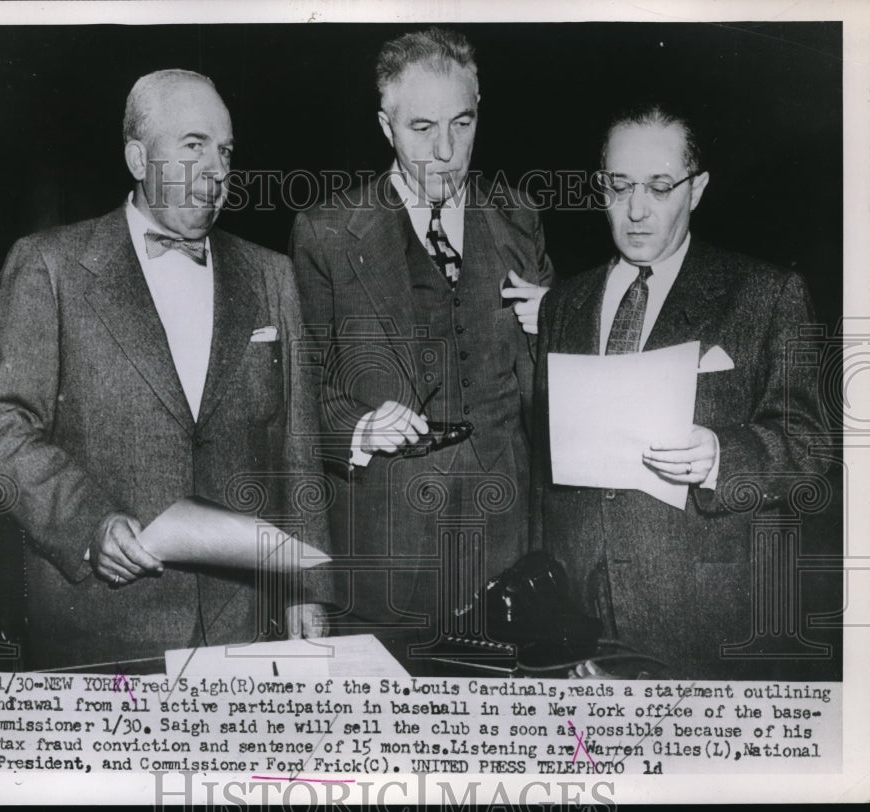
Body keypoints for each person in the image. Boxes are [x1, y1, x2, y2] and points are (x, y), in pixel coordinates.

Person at [0, 69, 329, 669]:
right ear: (139, 158)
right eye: (194, 145)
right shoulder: (48, 267)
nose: (217, 169)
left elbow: (297, 444)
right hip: (100, 630)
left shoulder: (271, 275)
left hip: (242, 625)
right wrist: (88, 526)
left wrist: (305, 587)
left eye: (226, 151)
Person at [535, 102, 826, 678]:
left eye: (660, 187)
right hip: (577, 621)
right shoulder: (565, 303)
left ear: (696, 190)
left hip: (701, 623)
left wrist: (724, 455)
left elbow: (811, 445)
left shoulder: (766, 294)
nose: (636, 210)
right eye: (619, 186)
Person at [290, 28, 554, 634]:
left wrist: (555, 328)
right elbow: (298, 396)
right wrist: (357, 427)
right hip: (386, 553)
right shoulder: (327, 231)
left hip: (507, 542)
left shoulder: (519, 217)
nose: (445, 151)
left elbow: (546, 395)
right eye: (421, 128)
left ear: (479, 110)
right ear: (386, 126)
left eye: (462, 124)